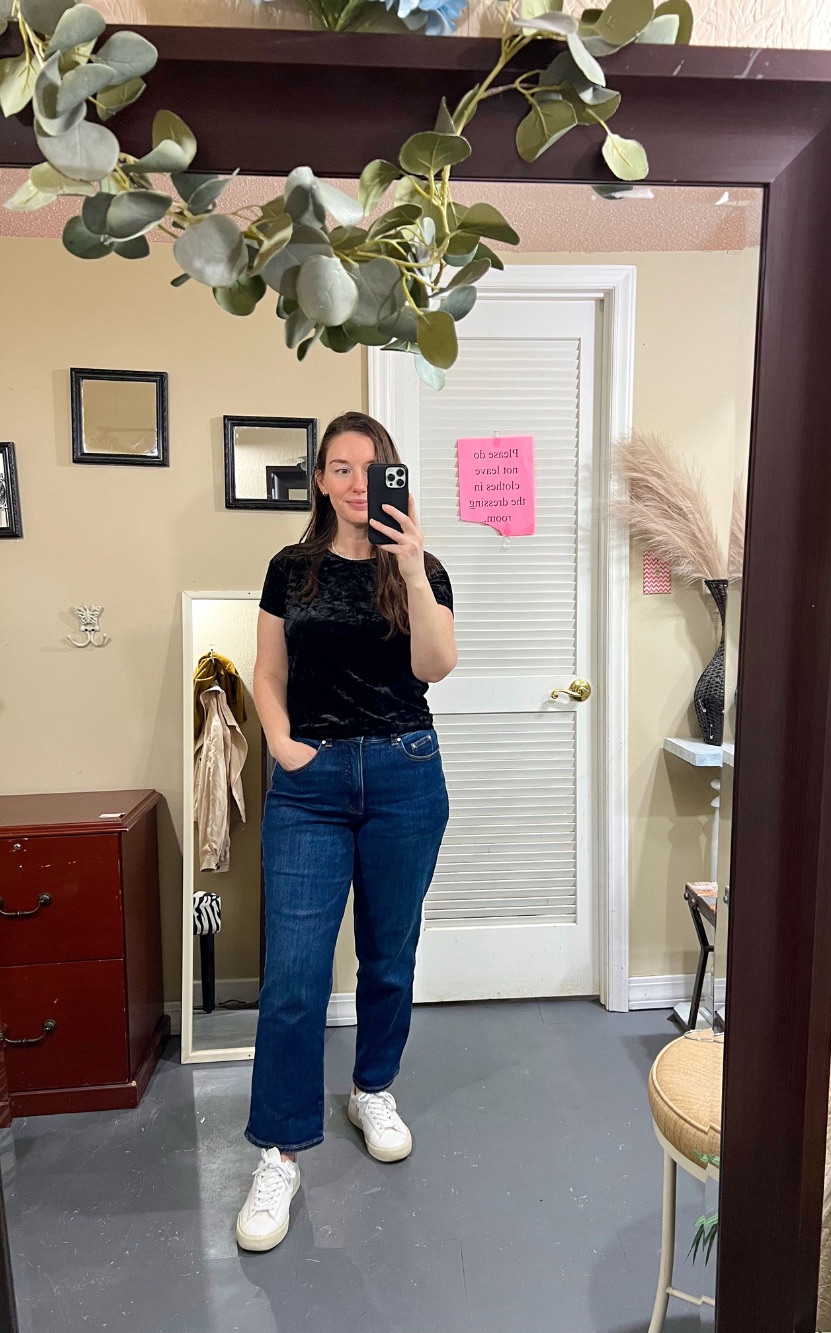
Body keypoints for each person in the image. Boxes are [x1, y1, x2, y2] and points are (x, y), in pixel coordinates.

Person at [236, 410, 457, 1252]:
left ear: (390, 473)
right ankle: (280, 1149)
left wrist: (410, 564)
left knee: (389, 954)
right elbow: (266, 670)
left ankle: (373, 1086)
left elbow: (435, 665)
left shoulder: (420, 566)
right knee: (292, 972)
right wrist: (286, 745)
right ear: (321, 479)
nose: (356, 480)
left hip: (405, 773)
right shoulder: (290, 569)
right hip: (312, 783)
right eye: (339, 467)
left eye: (371, 467)